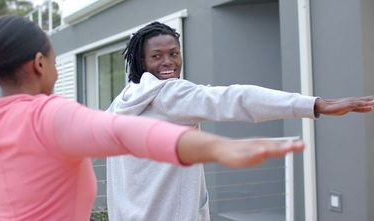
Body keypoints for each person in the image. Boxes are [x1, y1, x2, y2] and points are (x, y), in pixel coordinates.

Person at [0, 16, 307, 221]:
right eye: (55, 59)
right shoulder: (50, 117)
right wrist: (220, 148)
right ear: (40, 64)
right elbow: (129, 134)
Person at [105, 21, 374, 221]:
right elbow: (236, 98)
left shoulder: (120, 104)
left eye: (174, 53)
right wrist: (315, 104)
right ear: (141, 61)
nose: (169, 62)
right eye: (157, 56)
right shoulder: (171, 93)